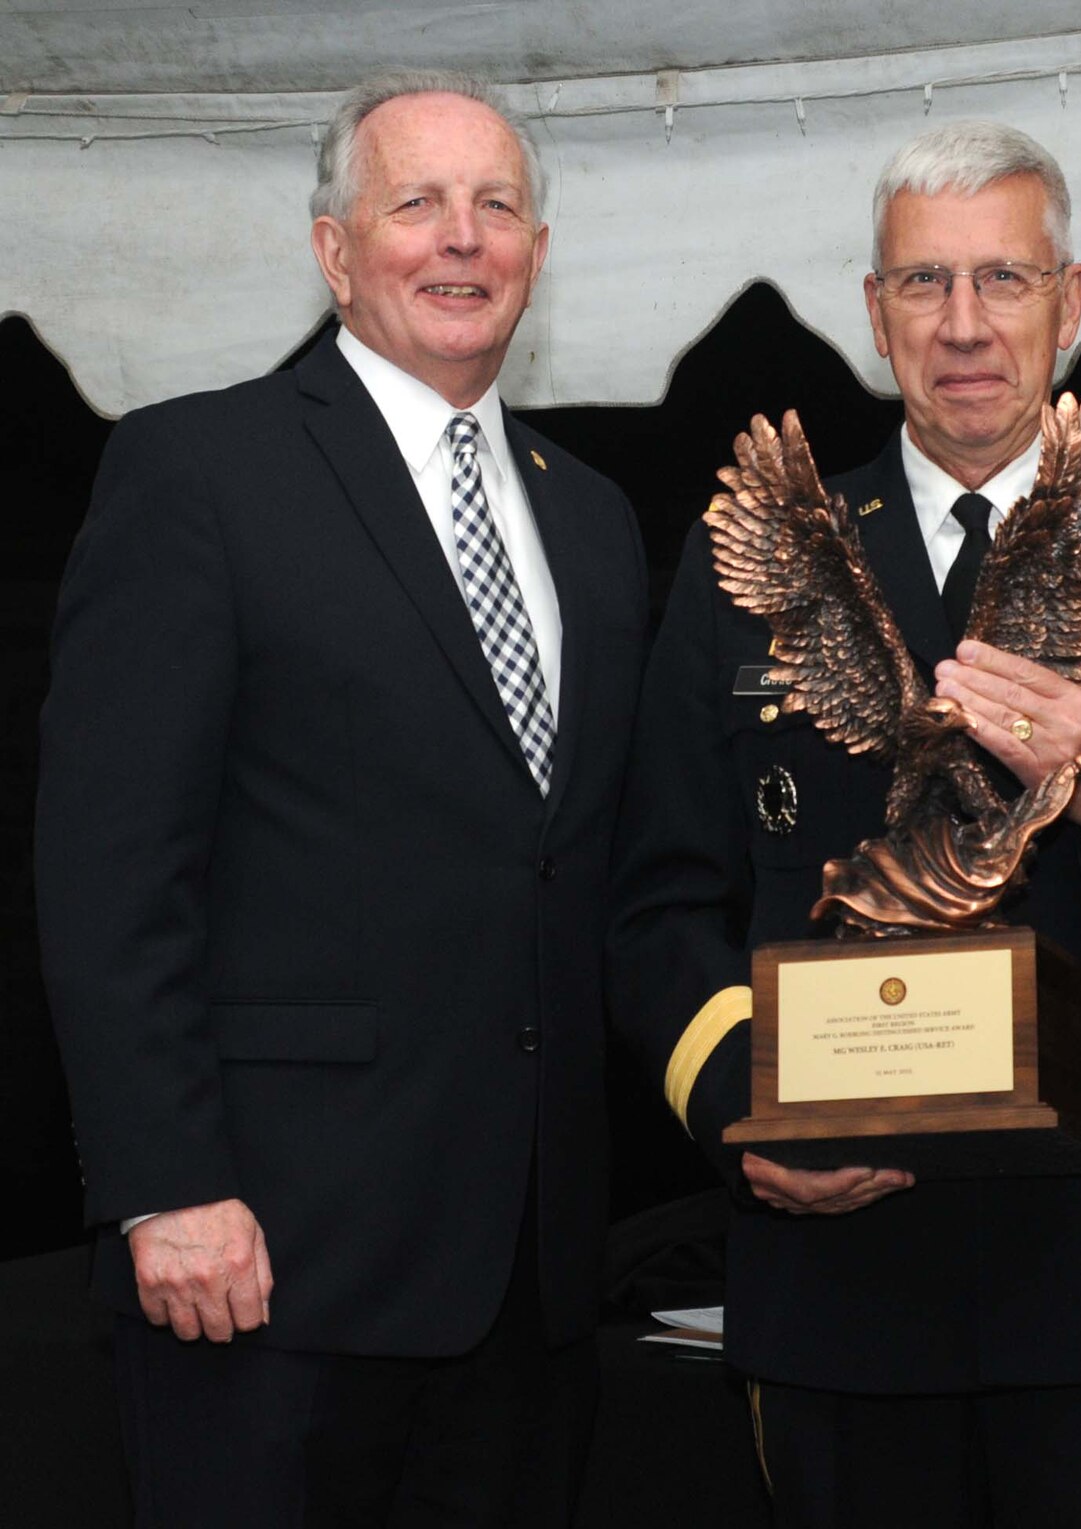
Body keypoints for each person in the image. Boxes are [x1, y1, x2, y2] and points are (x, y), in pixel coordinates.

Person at [608, 119, 1081, 1528]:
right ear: (874, 314)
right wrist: (741, 1110)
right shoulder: (761, 567)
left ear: (1070, 302)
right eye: (923, 284)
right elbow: (659, 902)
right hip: (843, 1274)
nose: (964, 326)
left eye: (1004, 282)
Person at [36, 69, 649, 1526]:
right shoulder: (199, 469)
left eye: (497, 206)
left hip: (531, 1276)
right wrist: (165, 1184)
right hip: (265, 1264)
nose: (462, 239)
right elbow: (113, 866)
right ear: (332, 249)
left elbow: (591, 871)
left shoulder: (597, 519)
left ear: (538, 256)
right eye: (416, 202)